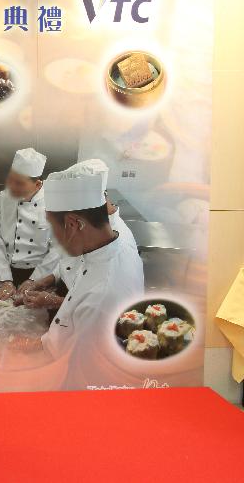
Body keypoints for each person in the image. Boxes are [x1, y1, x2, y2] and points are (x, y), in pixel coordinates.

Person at [37, 164, 145, 389]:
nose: (52, 237)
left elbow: (69, 359)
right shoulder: (112, 234)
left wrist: (31, 345)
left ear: (73, 224)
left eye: (52, 227)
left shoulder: (102, 293)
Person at [21, 159, 139, 309]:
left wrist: (54, 301)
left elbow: (102, 305)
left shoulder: (112, 251)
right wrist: (44, 281)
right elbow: (70, 263)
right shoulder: (93, 226)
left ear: (74, 223)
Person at [0, 148, 58, 302]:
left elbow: (57, 249)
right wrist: (5, 280)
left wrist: (35, 280)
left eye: (20, 184)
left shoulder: (54, 203)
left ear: (38, 184)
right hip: (5, 271)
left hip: (40, 273)